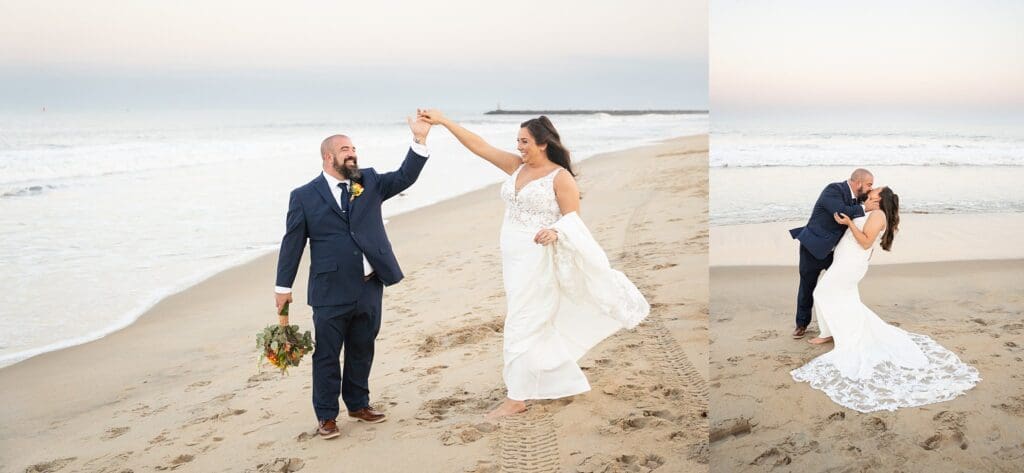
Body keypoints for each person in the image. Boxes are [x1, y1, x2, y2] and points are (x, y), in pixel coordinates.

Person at [416, 109, 650, 419]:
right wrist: (443, 122)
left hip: (539, 259)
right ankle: (543, 380)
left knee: (521, 322)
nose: (519, 147)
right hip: (513, 259)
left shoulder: (560, 177)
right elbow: (480, 146)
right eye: (517, 141)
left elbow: (573, 221)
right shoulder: (516, 167)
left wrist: (555, 231)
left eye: (524, 141)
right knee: (527, 318)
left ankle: (516, 398)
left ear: (543, 143)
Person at [274, 115, 432, 439]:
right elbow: (292, 243)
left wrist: (419, 141)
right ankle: (327, 416)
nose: (352, 153)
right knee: (327, 355)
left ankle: (359, 404)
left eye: (354, 148)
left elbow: (404, 177)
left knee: (363, 347)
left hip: (369, 285)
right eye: (345, 148)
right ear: (328, 157)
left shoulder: (369, 181)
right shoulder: (303, 196)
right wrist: (282, 286)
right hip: (329, 290)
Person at [790, 187, 980, 412]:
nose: (872, 189)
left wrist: (849, 224)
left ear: (881, 198)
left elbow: (866, 242)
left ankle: (833, 333)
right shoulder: (870, 211)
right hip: (846, 261)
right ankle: (829, 332)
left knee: (822, 292)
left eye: (876, 189)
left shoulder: (878, 215)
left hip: (850, 263)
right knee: (838, 295)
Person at [789, 169, 872, 339]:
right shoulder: (833, 190)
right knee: (807, 286)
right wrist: (865, 207)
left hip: (837, 252)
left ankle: (837, 323)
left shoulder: (860, 198)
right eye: (869, 184)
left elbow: (865, 222)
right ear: (859, 183)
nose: (871, 188)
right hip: (813, 246)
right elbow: (841, 212)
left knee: (839, 286)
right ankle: (801, 324)